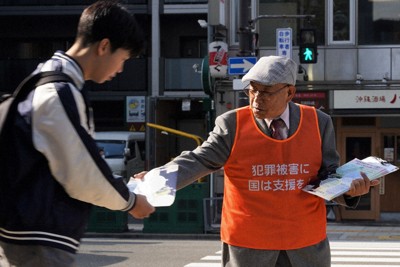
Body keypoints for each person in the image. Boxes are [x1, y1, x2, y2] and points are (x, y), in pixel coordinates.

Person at [135, 56, 379, 267]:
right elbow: (199, 160)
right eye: (252, 90)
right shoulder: (231, 124)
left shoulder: (319, 122)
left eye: (265, 92)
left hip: (305, 245)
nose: (255, 99)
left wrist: (349, 191)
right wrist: (155, 181)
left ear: (290, 92)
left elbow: (328, 176)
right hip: (250, 246)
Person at [0, 1, 155, 266]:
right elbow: (81, 170)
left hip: (28, 228)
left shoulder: (49, 79)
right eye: (123, 60)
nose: (120, 70)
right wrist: (131, 202)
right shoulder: (59, 92)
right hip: (39, 235)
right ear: (104, 46)